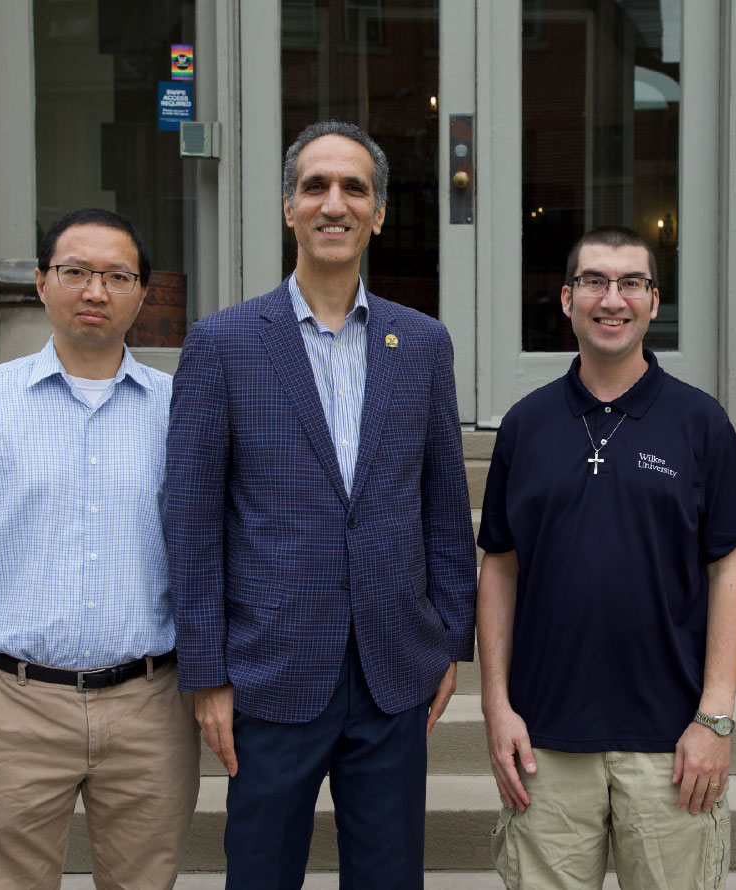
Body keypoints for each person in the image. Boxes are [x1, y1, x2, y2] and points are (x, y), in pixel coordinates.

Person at [165, 120, 476, 890]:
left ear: (376, 214)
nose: (333, 203)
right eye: (315, 186)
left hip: (392, 671)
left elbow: (443, 506)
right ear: (288, 208)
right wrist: (205, 670)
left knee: (388, 877)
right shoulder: (222, 343)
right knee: (262, 875)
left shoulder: (424, 345)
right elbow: (192, 521)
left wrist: (448, 639)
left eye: (354, 189)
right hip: (269, 673)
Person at [0, 207, 200, 890]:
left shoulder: (179, 407)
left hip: (150, 707)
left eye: (116, 276)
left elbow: (210, 549)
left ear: (141, 293)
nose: (95, 291)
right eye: (75, 272)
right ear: (41, 282)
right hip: (12, 706)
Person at [476, 225, 736, 890]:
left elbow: (729, 571)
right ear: (568, 298)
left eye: (631, 282)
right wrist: (497, 708)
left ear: (654, 302)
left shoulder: (700, 423)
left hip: (671, 745)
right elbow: (500, 567)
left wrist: (716, 717)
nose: (614, 299)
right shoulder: (526, 423)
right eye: (596, 283)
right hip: (544, 741)